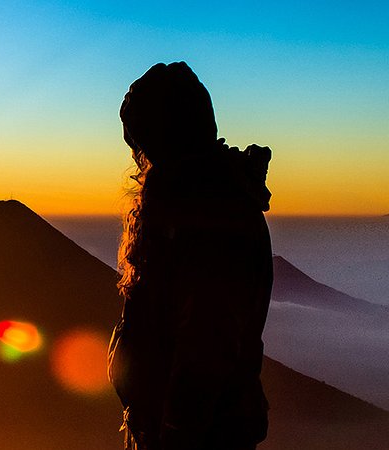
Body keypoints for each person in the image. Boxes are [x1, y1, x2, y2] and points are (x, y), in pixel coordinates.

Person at [107, 61, 273, 450]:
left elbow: (205, 354)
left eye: (141, 147)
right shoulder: (196, 210)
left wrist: (173, 435)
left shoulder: (211, 221)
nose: (139, 161)